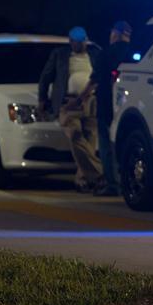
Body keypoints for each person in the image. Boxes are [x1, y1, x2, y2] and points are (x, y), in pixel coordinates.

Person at [38, 26, 103, 192]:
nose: (81, 45)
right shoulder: (60, 55)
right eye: (78, 42)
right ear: (71, 41)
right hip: (68, 102)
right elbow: (45, 77)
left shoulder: (95, 53)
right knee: (75, 135)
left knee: (90, 140)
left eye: (83, 42)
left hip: (91, 101)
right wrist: (42, 100)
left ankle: (83, 180)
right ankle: (101, 172)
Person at [81, 21, 133, 196]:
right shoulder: (136, 54)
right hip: (129, 105)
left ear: (117, 34)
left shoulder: (105, 54)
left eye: (112, 33)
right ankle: (128, 182)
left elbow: (94, 79)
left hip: (106, 103)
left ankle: (112, 184)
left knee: (105, 144)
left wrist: (80, 98)